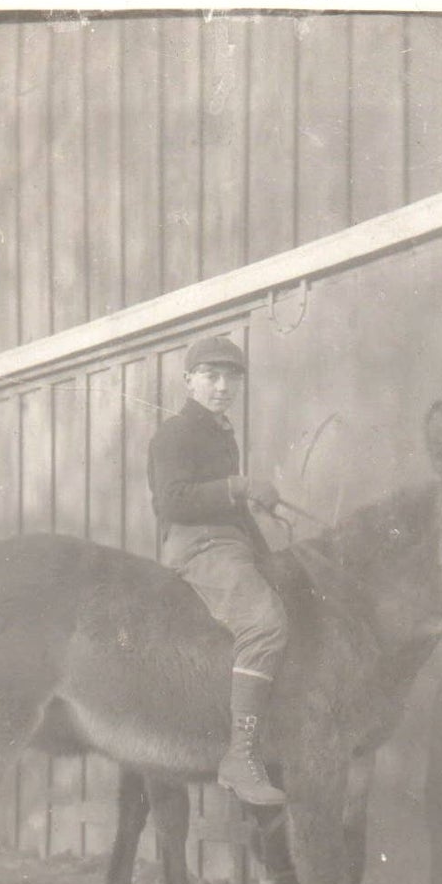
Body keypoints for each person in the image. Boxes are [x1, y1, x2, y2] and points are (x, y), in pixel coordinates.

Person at [148, 335, 288, 805]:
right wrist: (240, 486)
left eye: (231, 377)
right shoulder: (175, 433)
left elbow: (234, 509)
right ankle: (239, 758)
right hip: (198, 546)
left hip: (227, 544)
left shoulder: (219, 435)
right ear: (188, 381)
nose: (222, 385)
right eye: (211, 375)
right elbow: (172, 501)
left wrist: (267, 550)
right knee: (265, 624)